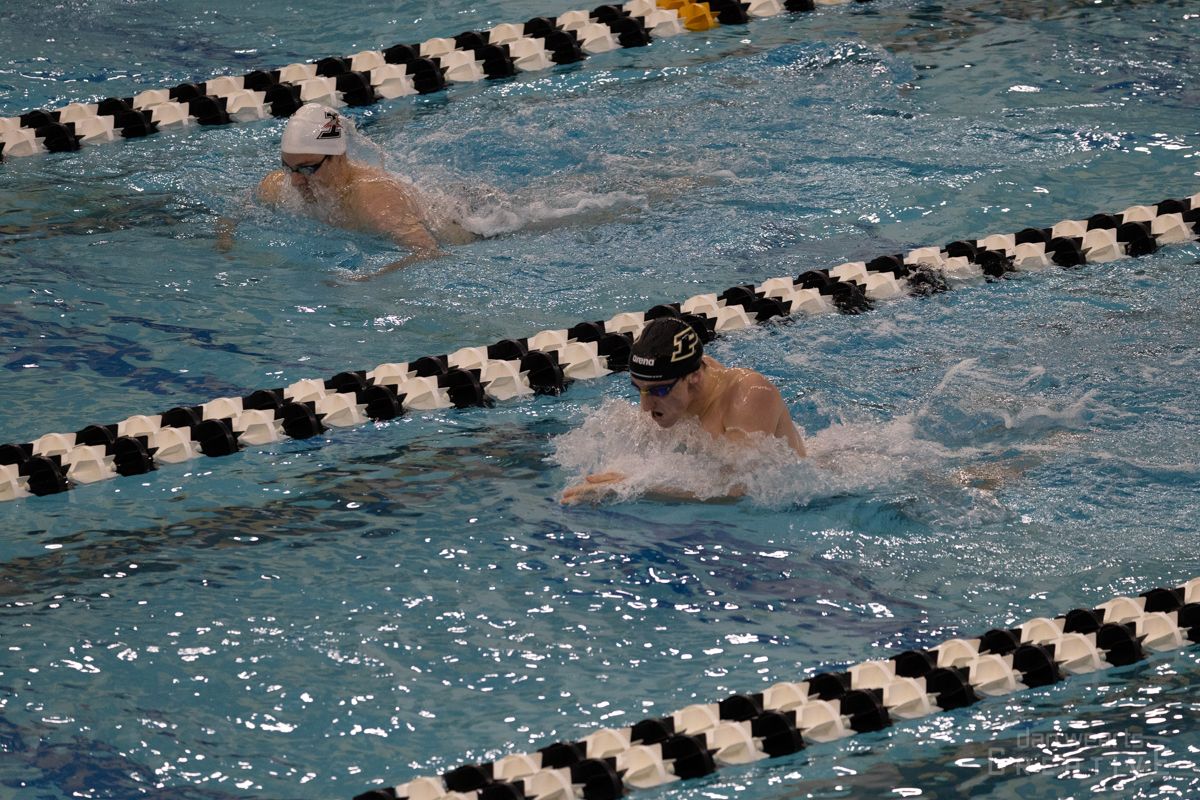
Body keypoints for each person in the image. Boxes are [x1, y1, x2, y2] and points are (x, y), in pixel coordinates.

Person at [561, 317, 806, 504]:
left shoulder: (749, 395)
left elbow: (739, 487)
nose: (645, 407)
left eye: (657, 392)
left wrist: (638, 487)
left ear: (695, 377)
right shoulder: (677, 384)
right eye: (638, 389)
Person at [228, 103, 472, 279]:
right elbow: (236, 211)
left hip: (468, 223)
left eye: (308, 168)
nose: (295, 181)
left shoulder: (373, 200)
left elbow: (429, 252)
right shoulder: (278, 186)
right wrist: (226, 247)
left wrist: (368, 280)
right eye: (288, 167)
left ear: (338, 158)